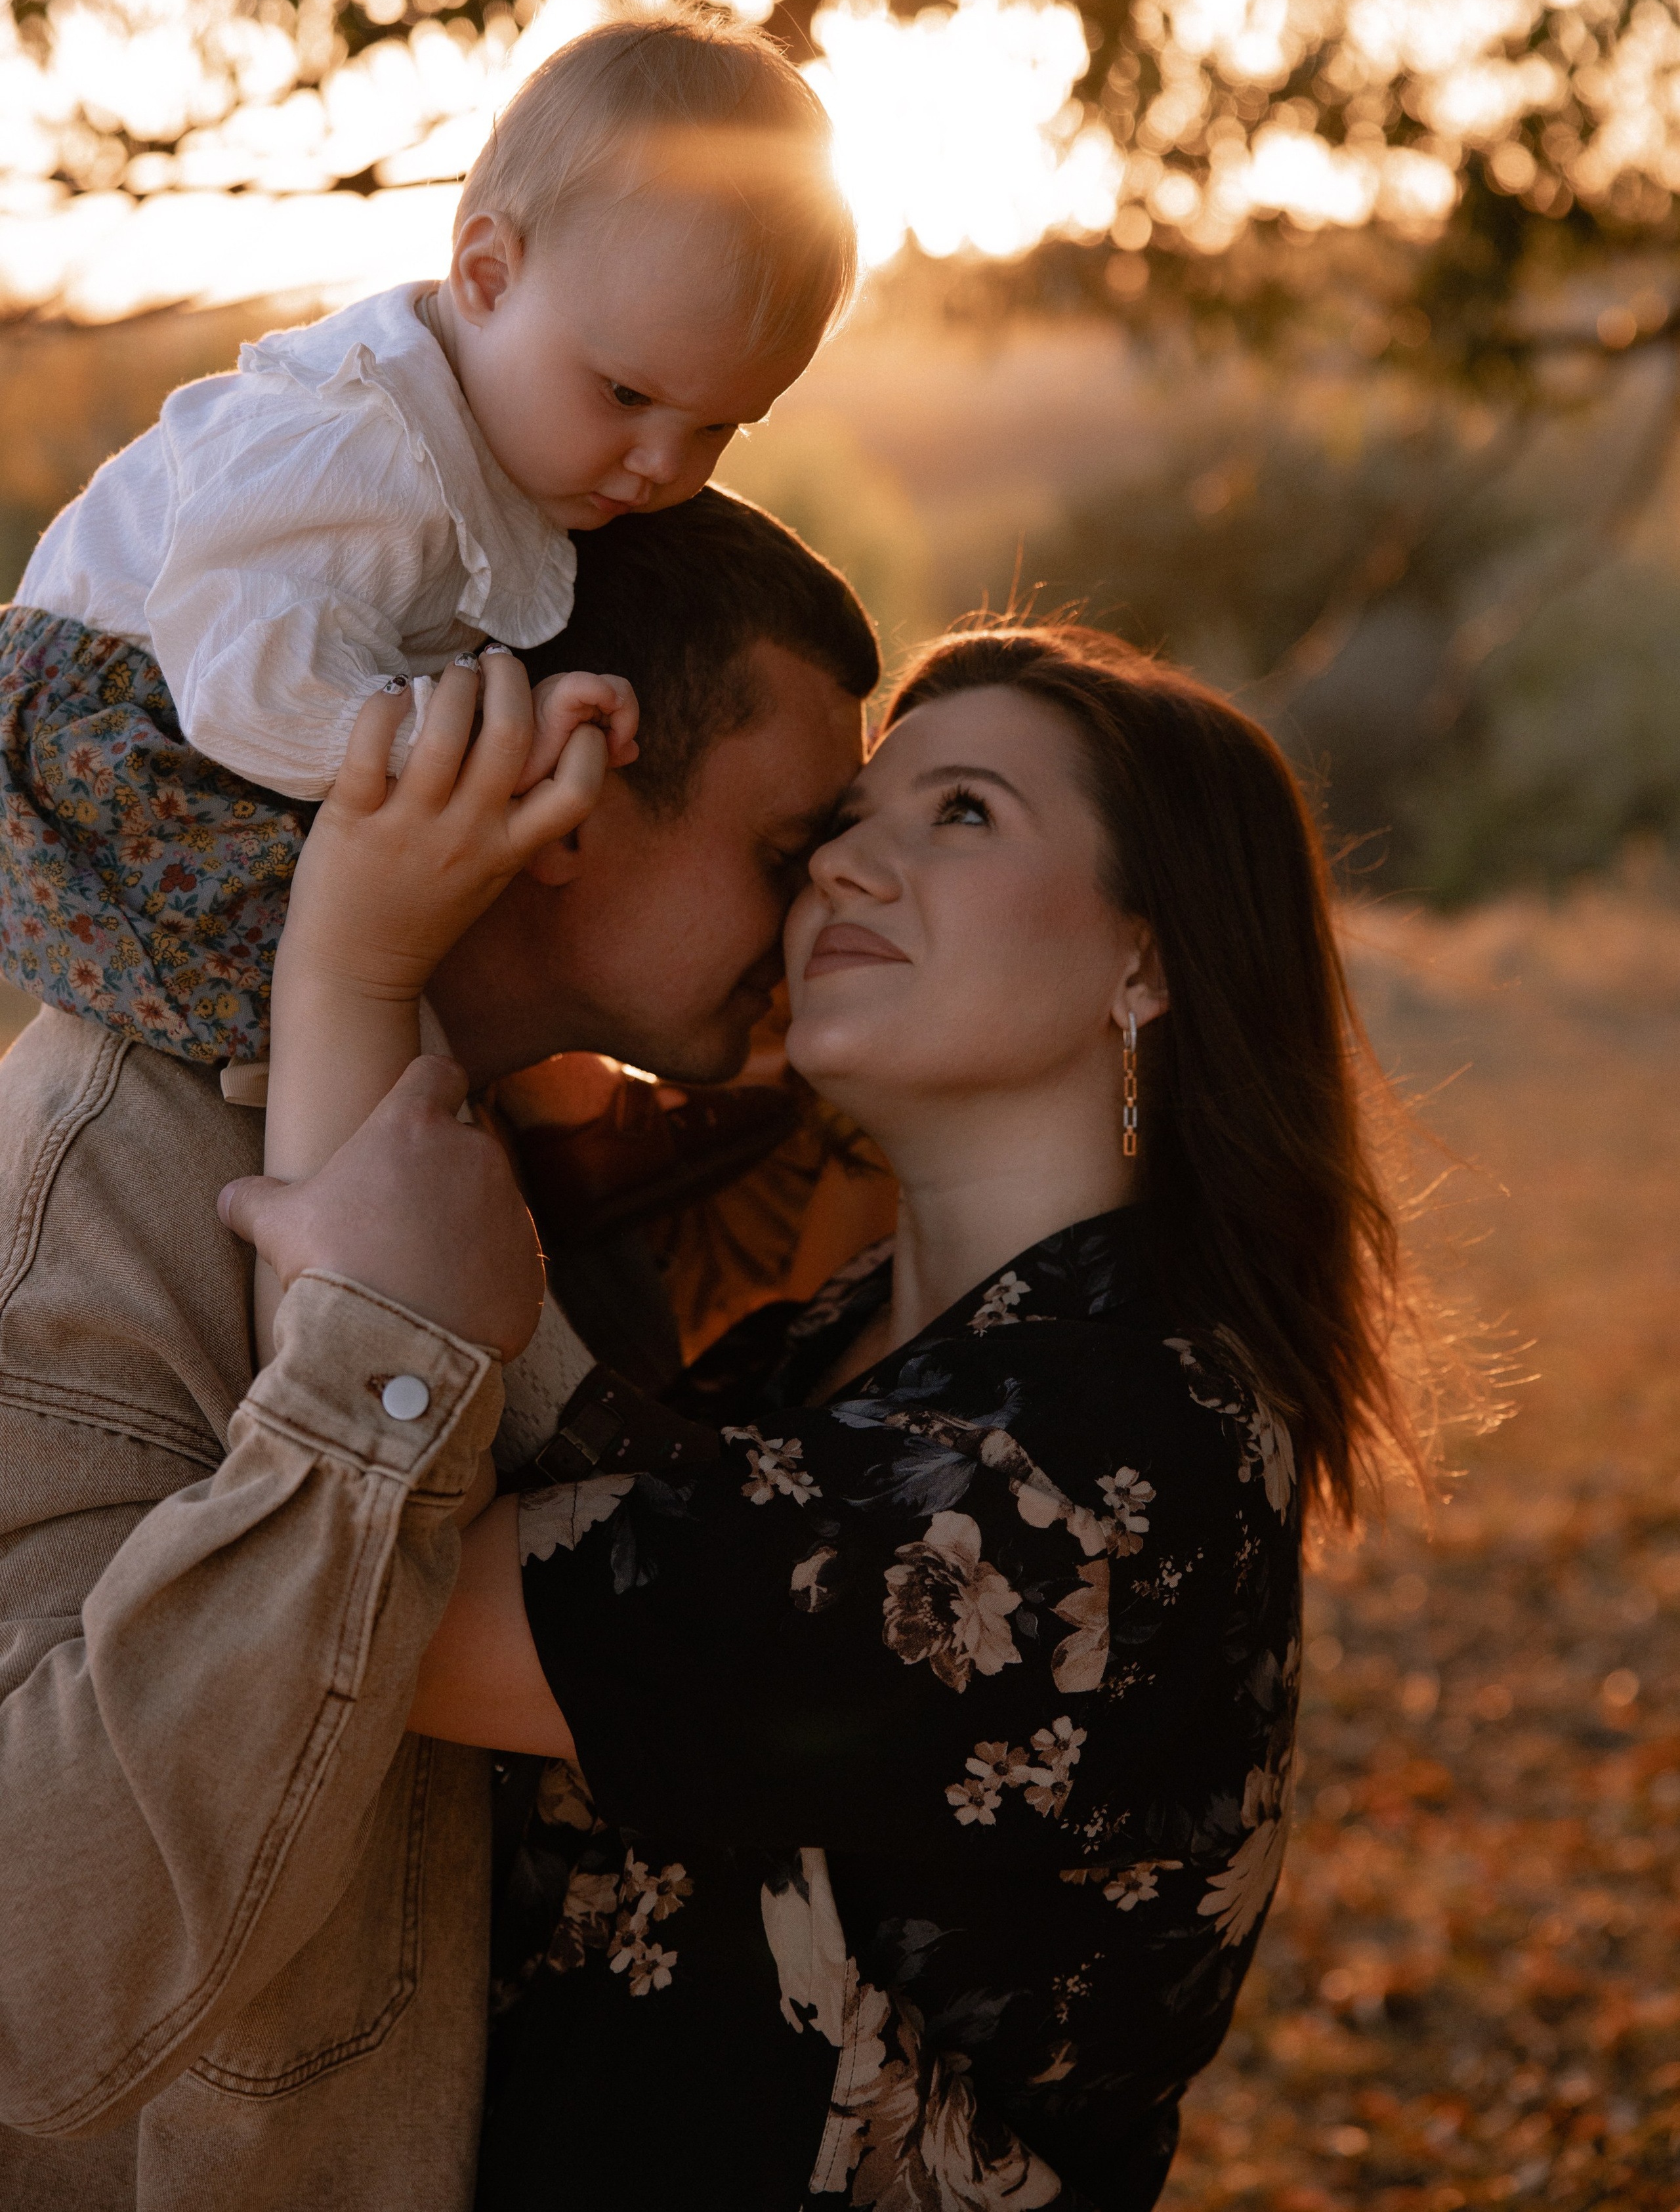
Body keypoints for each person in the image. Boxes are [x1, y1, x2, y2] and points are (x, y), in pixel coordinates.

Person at [232, 621, 1423, 2211]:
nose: (850, 868)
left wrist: (353, 961)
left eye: (964, 813)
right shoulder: (833, 1340)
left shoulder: (1098, 1456)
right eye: (839, 827)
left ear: (1145, 957)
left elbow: (363, 1618)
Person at [0, 495, 877, 2212]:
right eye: (782, 853)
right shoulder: (105, 1195)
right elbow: (35, 1966)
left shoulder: (536, 1136)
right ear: (566, 791)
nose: (805, 918)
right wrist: (378, 1378)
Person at [0, 11, 854, 1069]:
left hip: (213, 722)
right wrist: (469, 752)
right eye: (629, 393)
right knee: (344, 1004)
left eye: (719, 426)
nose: (662, 465)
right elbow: (244, 677)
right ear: (488, 276)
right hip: (121, 727)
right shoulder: (372, 449)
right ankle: (320, 1198)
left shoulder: (516, 436)